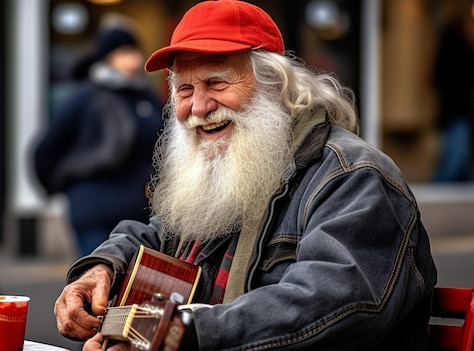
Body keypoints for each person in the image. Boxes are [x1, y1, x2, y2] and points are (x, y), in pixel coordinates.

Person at [53, 1, 437, 349]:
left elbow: (335, 300)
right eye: (184, 89)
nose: (199, 106)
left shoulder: (353, 176)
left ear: (275, 84)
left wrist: (176, 334)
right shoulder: (232, 170)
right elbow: (157, 233)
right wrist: (101, 267)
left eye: (216, 82)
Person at [34, 26, 164, 257]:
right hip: (96, 213)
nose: (132, 58)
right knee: (97, 284)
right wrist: (66, 188)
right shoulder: (84, 98)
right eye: (123, 52)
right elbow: (48, 150)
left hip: (140, 217)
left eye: (133, 50)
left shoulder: (146, 95)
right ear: (107, 57)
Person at [431, 14, 474, 182]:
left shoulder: (448, 57)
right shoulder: (460, 56)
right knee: (455, 160)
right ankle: (433, 195)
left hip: (455, 114)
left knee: (462, 163)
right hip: (457, 114)